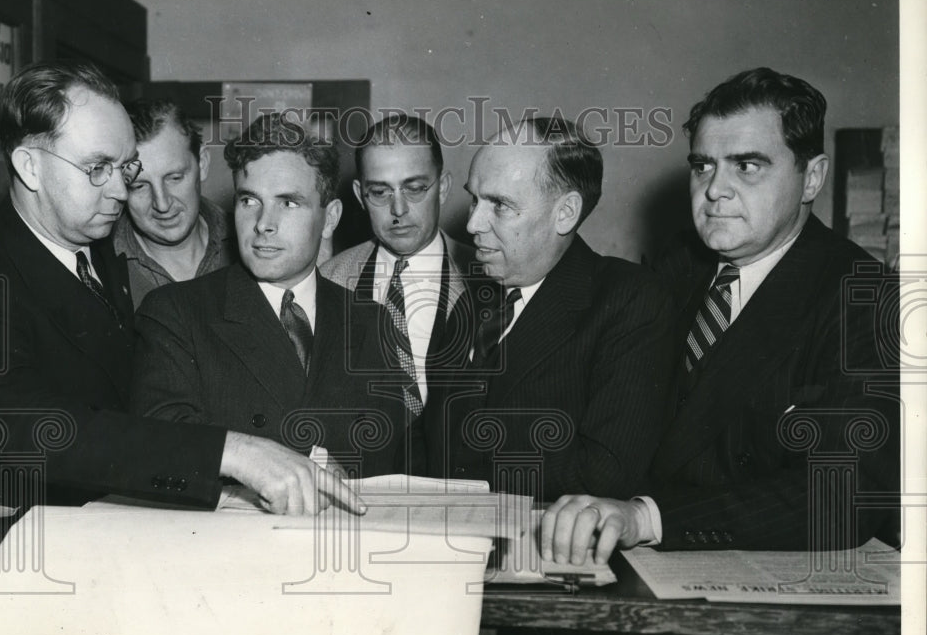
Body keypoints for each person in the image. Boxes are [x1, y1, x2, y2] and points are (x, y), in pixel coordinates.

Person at [0, 60, 362, 516]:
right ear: (29, 167)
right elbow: (37, 429)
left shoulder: (92, 237)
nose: (122, 193)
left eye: (123, 167)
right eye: (97, 168)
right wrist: (229, 451)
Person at [542, 68, 899, 565]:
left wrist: (647, 517)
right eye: (703, 166)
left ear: (811, 177)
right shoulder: (680, 264)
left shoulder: (865, 296)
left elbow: (843, 495)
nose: (715, 190)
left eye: (747, 166)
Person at [130, 113, 409, 478]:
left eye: (288, 203)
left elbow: (392, 463)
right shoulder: (175, 313)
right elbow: (163, 444)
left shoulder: (370, 321)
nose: (263, 223)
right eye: (249, 201)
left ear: (330, 218)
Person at [423, 117, 675, 500]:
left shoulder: (629, 300)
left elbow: (603, 473)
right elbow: (431, 439)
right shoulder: (471, 300)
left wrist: (466, 479)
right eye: (475, 198)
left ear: (566, 212)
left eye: (501, 206)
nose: (473, 223)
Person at [321, 114, 474, 418]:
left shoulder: (488, 278)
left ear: (442, 187)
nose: (398, 209)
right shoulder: (327, 280)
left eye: (414, 188)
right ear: (359, 196)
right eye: (380, 192)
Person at [112, 98, 235, 309]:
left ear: (202, 163)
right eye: (139, 186)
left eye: (175, 178)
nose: (162, 203)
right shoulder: (101, 266)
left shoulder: (249, 243)